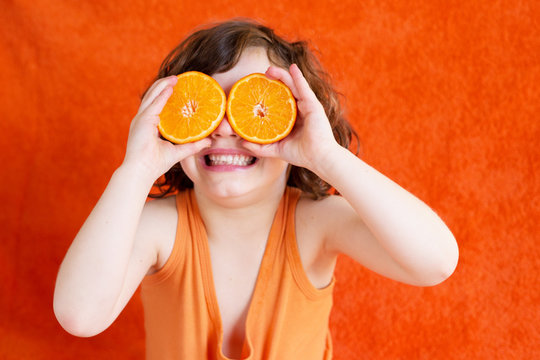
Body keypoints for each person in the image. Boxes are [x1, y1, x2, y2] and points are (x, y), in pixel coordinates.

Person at [53, 19, 458, 360]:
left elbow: (436, 262)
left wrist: (328, 157)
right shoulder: (160, 228)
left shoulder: (315, 223)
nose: (227, 127)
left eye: (254, 106)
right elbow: (79, 315)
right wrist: (135, 169)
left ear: (296, 121)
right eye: (206, 107)